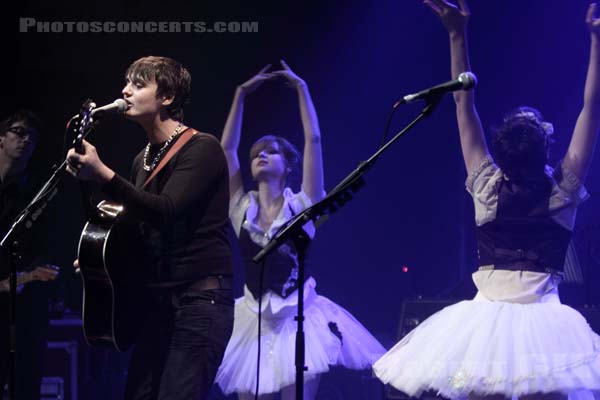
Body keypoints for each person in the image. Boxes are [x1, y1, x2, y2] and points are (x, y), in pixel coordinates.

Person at [374, 1, 600, 399]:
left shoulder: (487, 187)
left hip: (486, 326)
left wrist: (456, 34)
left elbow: (464, 103)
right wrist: (596, 41)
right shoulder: (561, 194)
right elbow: (591, 111)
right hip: (543, 327)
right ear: (546, 146)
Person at [214, 61, 386, 400]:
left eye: (271, 151)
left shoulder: (302, 206)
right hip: (253, 317)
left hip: (299, 317)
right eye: (256, 154)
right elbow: (226, 150)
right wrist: (240, 95)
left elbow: (314, 139)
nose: (261, 155)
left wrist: (302, 91)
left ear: (287, 164)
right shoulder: (241, 209)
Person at [66, 56, 234, 400]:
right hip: (158, 306)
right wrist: (105, 258)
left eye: (138, 84)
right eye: (126, 83)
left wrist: (104, 175)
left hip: (200, 303)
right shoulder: (141, 158)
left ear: (167, 97)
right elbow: (141, 231)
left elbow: (166, 211)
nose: (125, 91)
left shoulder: (202, 148)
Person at [0, 109, 55, 399]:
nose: (25, 140)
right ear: (1, 138)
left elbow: (42, 248)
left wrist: (26, 276)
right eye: (19, 132)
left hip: (20, 306)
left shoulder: (36, 193)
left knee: (25, 379)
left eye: (32, 137)